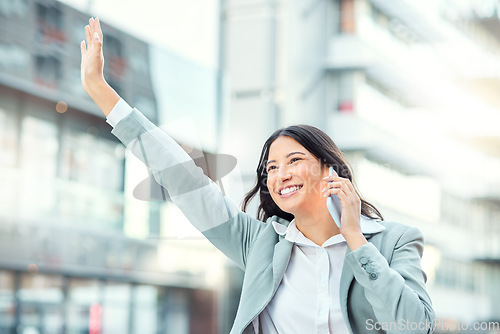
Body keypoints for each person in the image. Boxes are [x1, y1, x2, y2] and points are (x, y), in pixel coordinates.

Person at [81, 17, 435, 334]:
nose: (280, 175)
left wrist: (356, 240)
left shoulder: (395, 242)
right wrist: (101, 91)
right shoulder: (260, 245)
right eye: (271, 168)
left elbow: (415, 327)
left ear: (329, 169)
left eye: (294, 160)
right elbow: (184, 178)